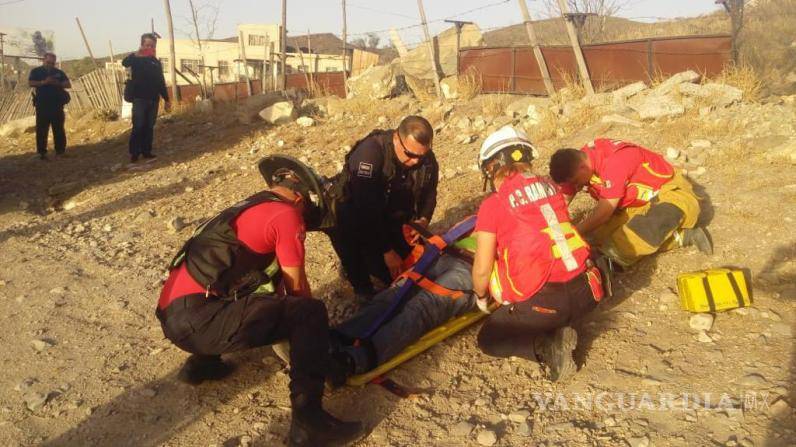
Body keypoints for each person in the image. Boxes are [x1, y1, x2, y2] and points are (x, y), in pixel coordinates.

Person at [156, 164, 363, 447]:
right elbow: (297, 288)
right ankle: (309, 422)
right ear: (302, 199)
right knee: (309, 312)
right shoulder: (286, 215)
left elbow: (251, 278)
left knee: (240, 292)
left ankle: (202, 363)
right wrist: (319, 351)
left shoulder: (249, 207)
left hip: (173, 316)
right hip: (199, 324)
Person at [470, 126, 605, 382]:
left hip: (547, 301)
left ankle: (548, 348)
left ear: (493, 167)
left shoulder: (493, 204)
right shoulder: (551, 188)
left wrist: (481, 298)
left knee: (489, 338)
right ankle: (562, 323)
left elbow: (482, 269)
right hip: (587, 294)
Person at [549, 138, 712, 268]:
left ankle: (612, 263)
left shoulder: (615, 162)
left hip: (670, 194)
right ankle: (682, 236)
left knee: (631, 238)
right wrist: (550, 228)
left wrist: (573, 233)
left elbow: (604, 211)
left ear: (582, 168)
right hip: (637, 205)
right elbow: (564, 196)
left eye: (577, 181)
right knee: (600, 236)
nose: (577, 185)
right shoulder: (581, 159)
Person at [326, 115, 439, 300]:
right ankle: (358, 279)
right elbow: (365, 210)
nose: (416, 162)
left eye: (422, 156)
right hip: (357, 220)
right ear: (396, 138)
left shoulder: (424, 157)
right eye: (410, 155)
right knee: (380, 282)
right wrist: (387, 251)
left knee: (415, 271)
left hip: (391, 218)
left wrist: (424, 220)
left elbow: (430, 192)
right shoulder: (370, 154)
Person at [331, 254, 476, 377]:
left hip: (467, 266)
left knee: (417, 306)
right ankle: (338, 342)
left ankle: (353, 359)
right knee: (396, 297)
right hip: (451, 256)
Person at [122, 33, 171, 163]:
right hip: (139, 98)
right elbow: (124, 63)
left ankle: (146, 151)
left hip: (153, 99)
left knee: (149, 127)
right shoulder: (136, 59)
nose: (150, 47)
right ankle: (134, 153)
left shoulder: (156, 62)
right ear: (142, 45)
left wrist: (167, 99)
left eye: (152, 45)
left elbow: (161, 81)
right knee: (138, 126)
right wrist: (137, 53)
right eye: (147, 45)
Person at [28, 52, 71, 160]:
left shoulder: (59, 73)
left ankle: (60, 151)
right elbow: (31, 82)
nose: (50, 65)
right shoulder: (36, 71)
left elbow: (68, 84)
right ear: (43, 60)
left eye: (52, 63)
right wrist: (44, 82)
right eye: (48, 62)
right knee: (41, 129)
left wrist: (58, 83)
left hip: (57, 105)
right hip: (42, 105)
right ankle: (41, 152)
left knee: (59, 129)